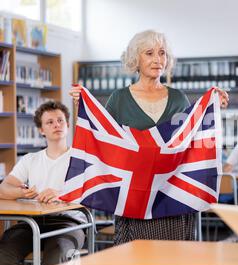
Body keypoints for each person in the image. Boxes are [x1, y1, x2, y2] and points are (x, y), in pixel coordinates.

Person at [70, 30, 229, 245]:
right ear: (136, 59)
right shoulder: (119, 99)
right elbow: (103, 140)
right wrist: (84, 108)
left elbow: (192, 140)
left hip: (172, 197)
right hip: (133, 199)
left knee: (173, 257)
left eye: (162, 53)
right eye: (149, 53)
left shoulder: (178, 98)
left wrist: (214, 108)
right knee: (135, 259)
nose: (157, 59)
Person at [0, 101, 86, 265]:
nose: (56, 125)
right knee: (3, 254)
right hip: (31, 223)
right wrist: (21, 193)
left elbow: (93, 194)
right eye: (50, 122)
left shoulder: (80, 158)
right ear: (41, 130)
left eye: (60, 120)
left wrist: (61, 195)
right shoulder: (30, 159)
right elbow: (3, 188)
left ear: (68, 125)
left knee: (58, 256)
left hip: (68, 223)